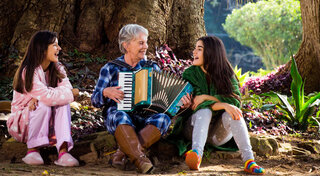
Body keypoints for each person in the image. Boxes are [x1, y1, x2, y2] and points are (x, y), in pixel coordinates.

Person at [91, 24, 191, 173]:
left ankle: (122, 153)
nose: (146, 46)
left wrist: (181, 105)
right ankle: (140, 159)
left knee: (163, 119)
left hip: (145, 119)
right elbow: (95, 100)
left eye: (146, 42)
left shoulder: (152, 67)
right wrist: (105, 92)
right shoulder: (111, 68)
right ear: (126, 45)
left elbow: (165, 105)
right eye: (141, 43)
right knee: (120, 115)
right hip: (120, 118)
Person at [182, 36, 265, 175]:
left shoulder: (227, 73)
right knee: (204, 112)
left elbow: (234, 100)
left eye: (199, 49)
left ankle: (249, 161)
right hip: (193, 129)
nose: (194, 52)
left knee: (234, 112)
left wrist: (207, 97)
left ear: (211, 52)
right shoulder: (190, 73)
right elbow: (196, 104)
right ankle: (196, 155)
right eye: (195, 49)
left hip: (217, 135)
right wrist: (223, 104)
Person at [7, 31, 79, 167]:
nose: (59, 49)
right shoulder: (28, 71)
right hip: (22, 124)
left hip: (48, 122)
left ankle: (63, 152)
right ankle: (33, 150)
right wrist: (47, 96)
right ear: (42, 48)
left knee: (62, 104)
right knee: (42, 104)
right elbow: (52, 97)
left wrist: (48, 95)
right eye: (55, 45)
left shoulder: (57, 68)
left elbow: (67, 90)